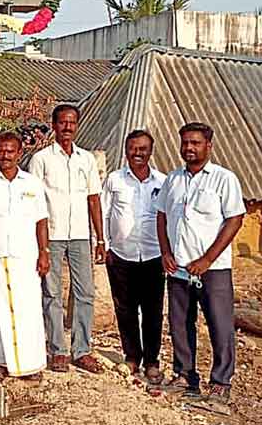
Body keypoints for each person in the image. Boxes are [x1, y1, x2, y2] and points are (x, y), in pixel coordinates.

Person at [156, 122, 245, 414]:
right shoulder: (172, 179)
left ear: (209, 146)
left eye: (195, 143)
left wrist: (207, 259)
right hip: (179, 267)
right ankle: (185, 377)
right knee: (180, 325)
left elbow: (234, 220)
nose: (189, 148)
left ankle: (221, 383)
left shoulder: (224, 179)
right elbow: (161, 215)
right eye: (185, 143)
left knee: (220, 325)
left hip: (213, 269)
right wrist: (166, 252)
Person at [29, 104, 106, 374]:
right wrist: (39, 244)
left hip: (81, 236)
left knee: (84, 292)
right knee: (52, 293)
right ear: (54, 124)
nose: (67, 127)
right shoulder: (41, 159)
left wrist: (100, 238)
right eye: (63, 122)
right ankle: (58, 350)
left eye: (72, 123)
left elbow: (94, 199)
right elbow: (34, 200)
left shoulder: (86, 159)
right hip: (50, 234)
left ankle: (82, 349)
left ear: (78, 125)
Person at [0, 132, 50, 381]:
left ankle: (32, 365)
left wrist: (43, 253)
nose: (5, 155)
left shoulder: (32, 184)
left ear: (19, 153)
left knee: (29, 309)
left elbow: (41, 222)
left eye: (11, 151)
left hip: (26, 257)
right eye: (1, 150)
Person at [101, 130, 166, 382]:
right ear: (126, 150)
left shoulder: (162, 182)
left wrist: (167, 252)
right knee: (125, 309)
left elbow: (168, 218)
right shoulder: (114, 180)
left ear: (150, 151)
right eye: (132, 148)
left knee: (152, 311)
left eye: (143, 149)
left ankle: (151, 361)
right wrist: (104, 245)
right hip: (120, 255)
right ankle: (131, 357)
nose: (137, 153)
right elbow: (105, 214)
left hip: (153, 256)